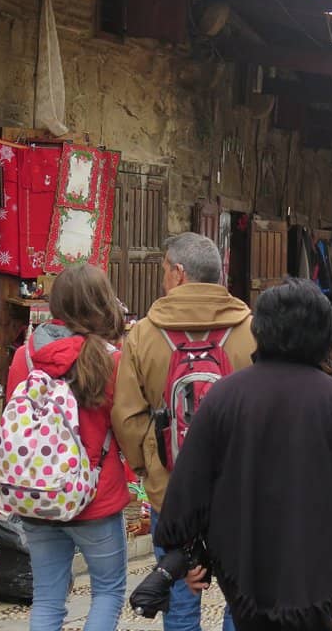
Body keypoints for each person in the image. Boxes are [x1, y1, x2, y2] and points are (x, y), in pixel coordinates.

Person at [154, 278, 332, 631]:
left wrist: (185, 553)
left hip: (242, 560)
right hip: (315, 561)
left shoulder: (225, 396)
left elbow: (191, 481)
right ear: (321, 333)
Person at [113, 232, 255, 631]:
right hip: (237, 488)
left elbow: (127, 415)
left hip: (170, 487)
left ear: (178, 273)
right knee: (240, 595)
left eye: (162, 271)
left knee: (178, 594)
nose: (162, 280)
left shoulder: (143, 333)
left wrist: (148, 467)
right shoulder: (250, 329)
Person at [5, 264, 129, 631]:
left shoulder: (24, 359)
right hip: (95, 496)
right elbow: (124, 430)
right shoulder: (111, 361)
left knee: (47, 598)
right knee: (107, 591)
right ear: (102, 302)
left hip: (38, 495)